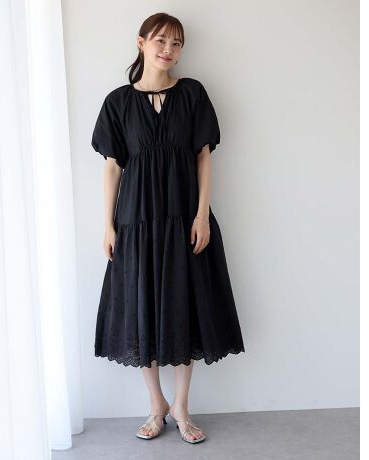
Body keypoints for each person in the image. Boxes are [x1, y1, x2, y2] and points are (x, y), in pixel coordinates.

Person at [91, 12, 245, 444]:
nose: (169, 49)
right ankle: (155, 402)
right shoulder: (118, 102)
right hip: (136, 220)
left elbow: (203, 156)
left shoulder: (192, 93)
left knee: (183, 303)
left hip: (183, 217)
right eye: (161, 40)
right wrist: (107, 225)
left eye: (177, 43)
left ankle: (181, 405)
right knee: (142, 305)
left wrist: (201, 215)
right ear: (141, 42)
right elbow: (112, 168)